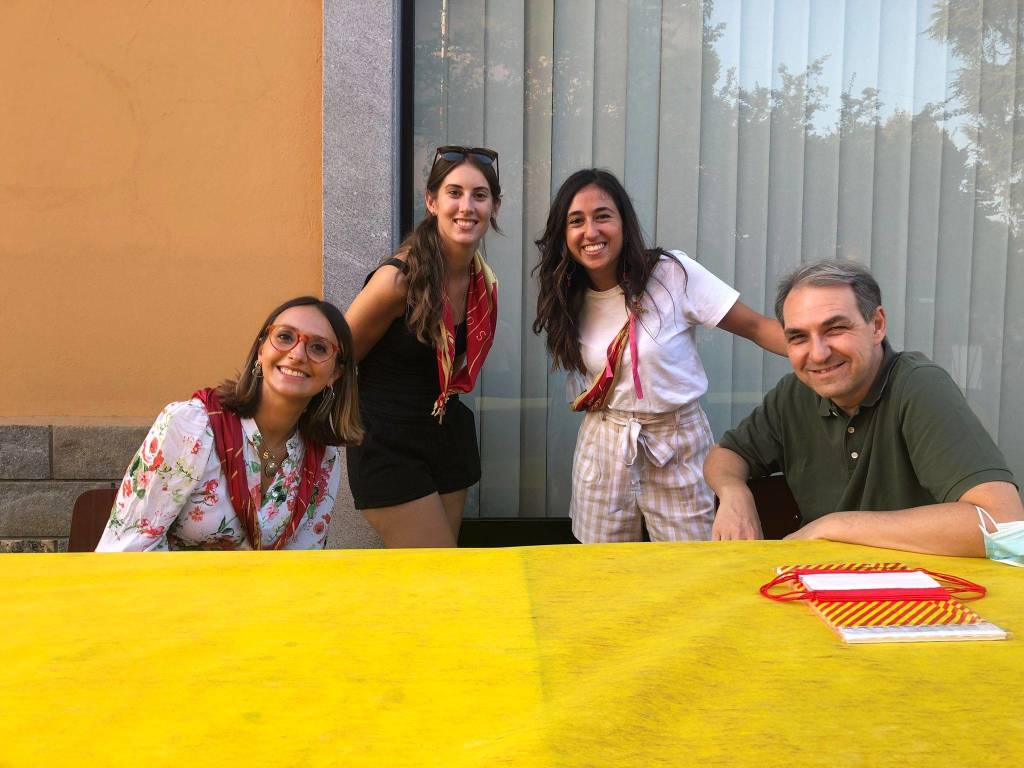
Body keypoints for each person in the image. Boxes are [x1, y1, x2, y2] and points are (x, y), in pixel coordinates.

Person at [532, 168, 786, 543]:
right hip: (606, 443)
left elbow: (756, 327)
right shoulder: (567, 294)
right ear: (563, 234)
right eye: (576, 221)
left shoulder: (671, 273)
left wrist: (820, 354)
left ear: (623, 222)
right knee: (604, 573)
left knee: (690, 569)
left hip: (678, 441)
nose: (591, 232)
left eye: (603, 216)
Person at [705, 260, 1024, 556]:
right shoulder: (796, 392)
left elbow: (1006, 525)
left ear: (877, 325)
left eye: (835, 329)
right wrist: (734, 494)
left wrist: (833, 526)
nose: (818, 354)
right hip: (826, 587)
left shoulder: (917, 386)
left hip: (922, 595)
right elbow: (726, 454)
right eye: (799, 337)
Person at [96, 296, 362, 551]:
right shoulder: (191, 426)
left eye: (318, 347)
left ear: (335, 373)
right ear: (261, 350)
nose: (297, 354)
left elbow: (302, 564)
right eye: (284, 337)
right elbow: (128, 548)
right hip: (168, 594)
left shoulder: (322, 459)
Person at [345, 145, 501, 548]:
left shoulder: (481, 284)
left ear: (494, 207)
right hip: (389, 444)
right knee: (436, 575)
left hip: (447, 437)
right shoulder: (397, 281)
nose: (466, 206)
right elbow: (336, 360)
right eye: (454, 193)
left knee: (436, 582)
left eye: (479, 195)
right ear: (431, 201)